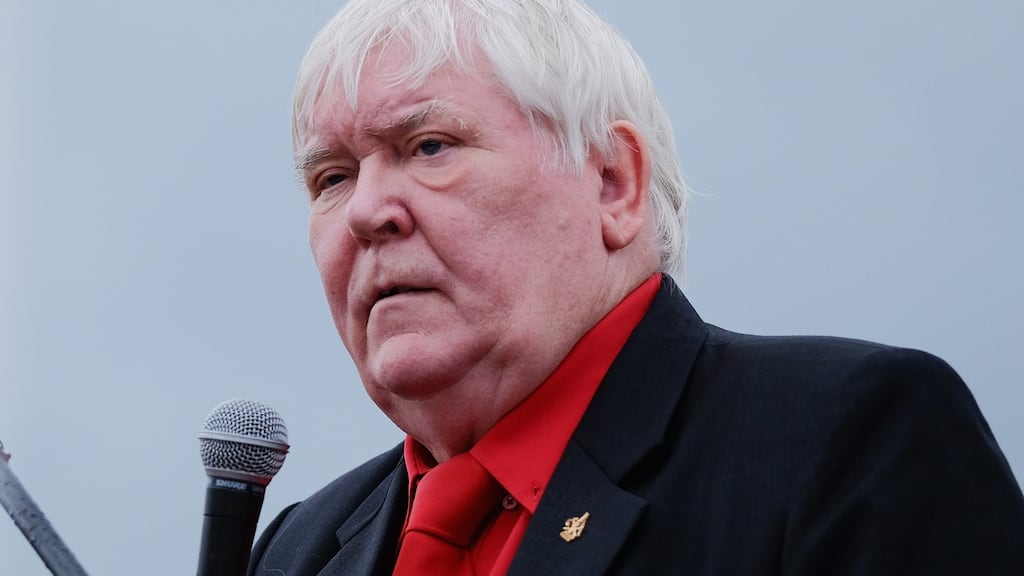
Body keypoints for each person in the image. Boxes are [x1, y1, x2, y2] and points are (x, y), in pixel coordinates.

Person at [249, 0, 1024, 574]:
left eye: (428, 146)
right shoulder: (296, 550)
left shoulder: (849, 443)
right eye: (332, 177)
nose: (366, 212)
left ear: (613, 183)